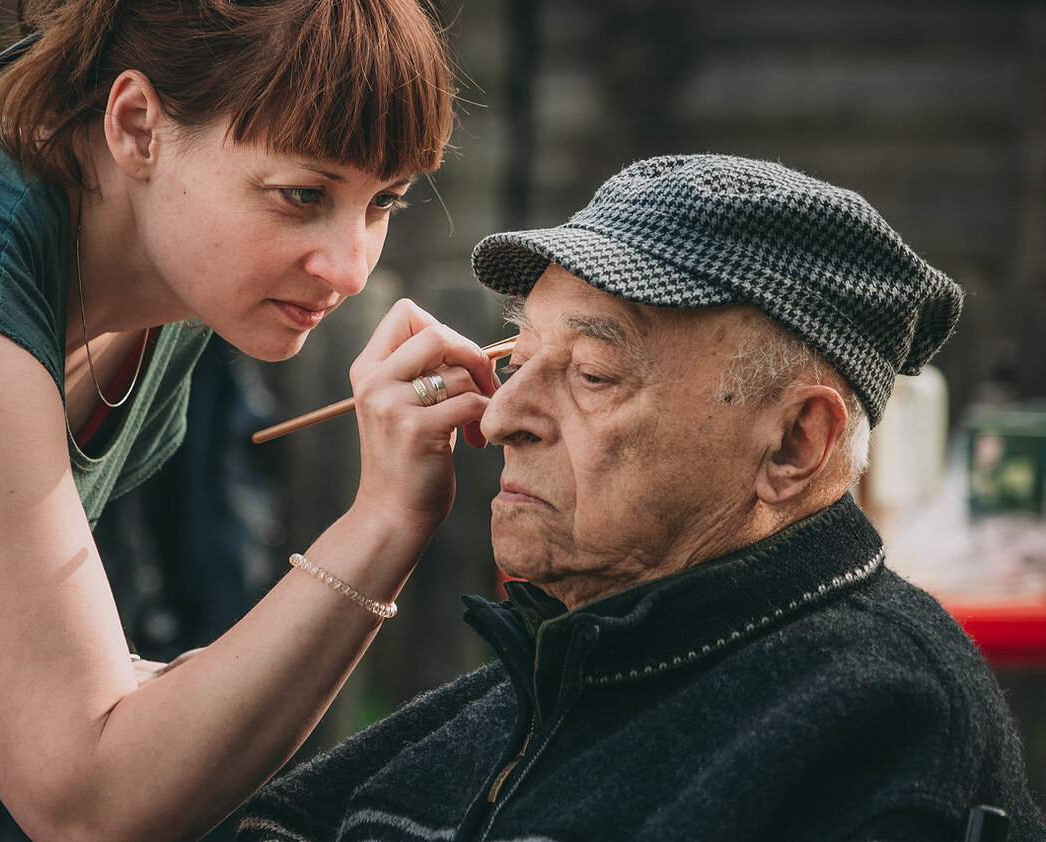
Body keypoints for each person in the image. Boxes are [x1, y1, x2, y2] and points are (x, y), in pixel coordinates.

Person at [0, 1, 505, 838]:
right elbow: (86, 802)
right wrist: (385, 518)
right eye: (300, 194)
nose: (346, 268)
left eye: (383, 204)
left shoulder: (160, 308)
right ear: (136, 126)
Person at [235, 155, 1046, 841]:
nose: (500, 416)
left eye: (592, 373)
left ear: (796, 442)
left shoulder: (881, 723)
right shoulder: (573, 663)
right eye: (519, 357)